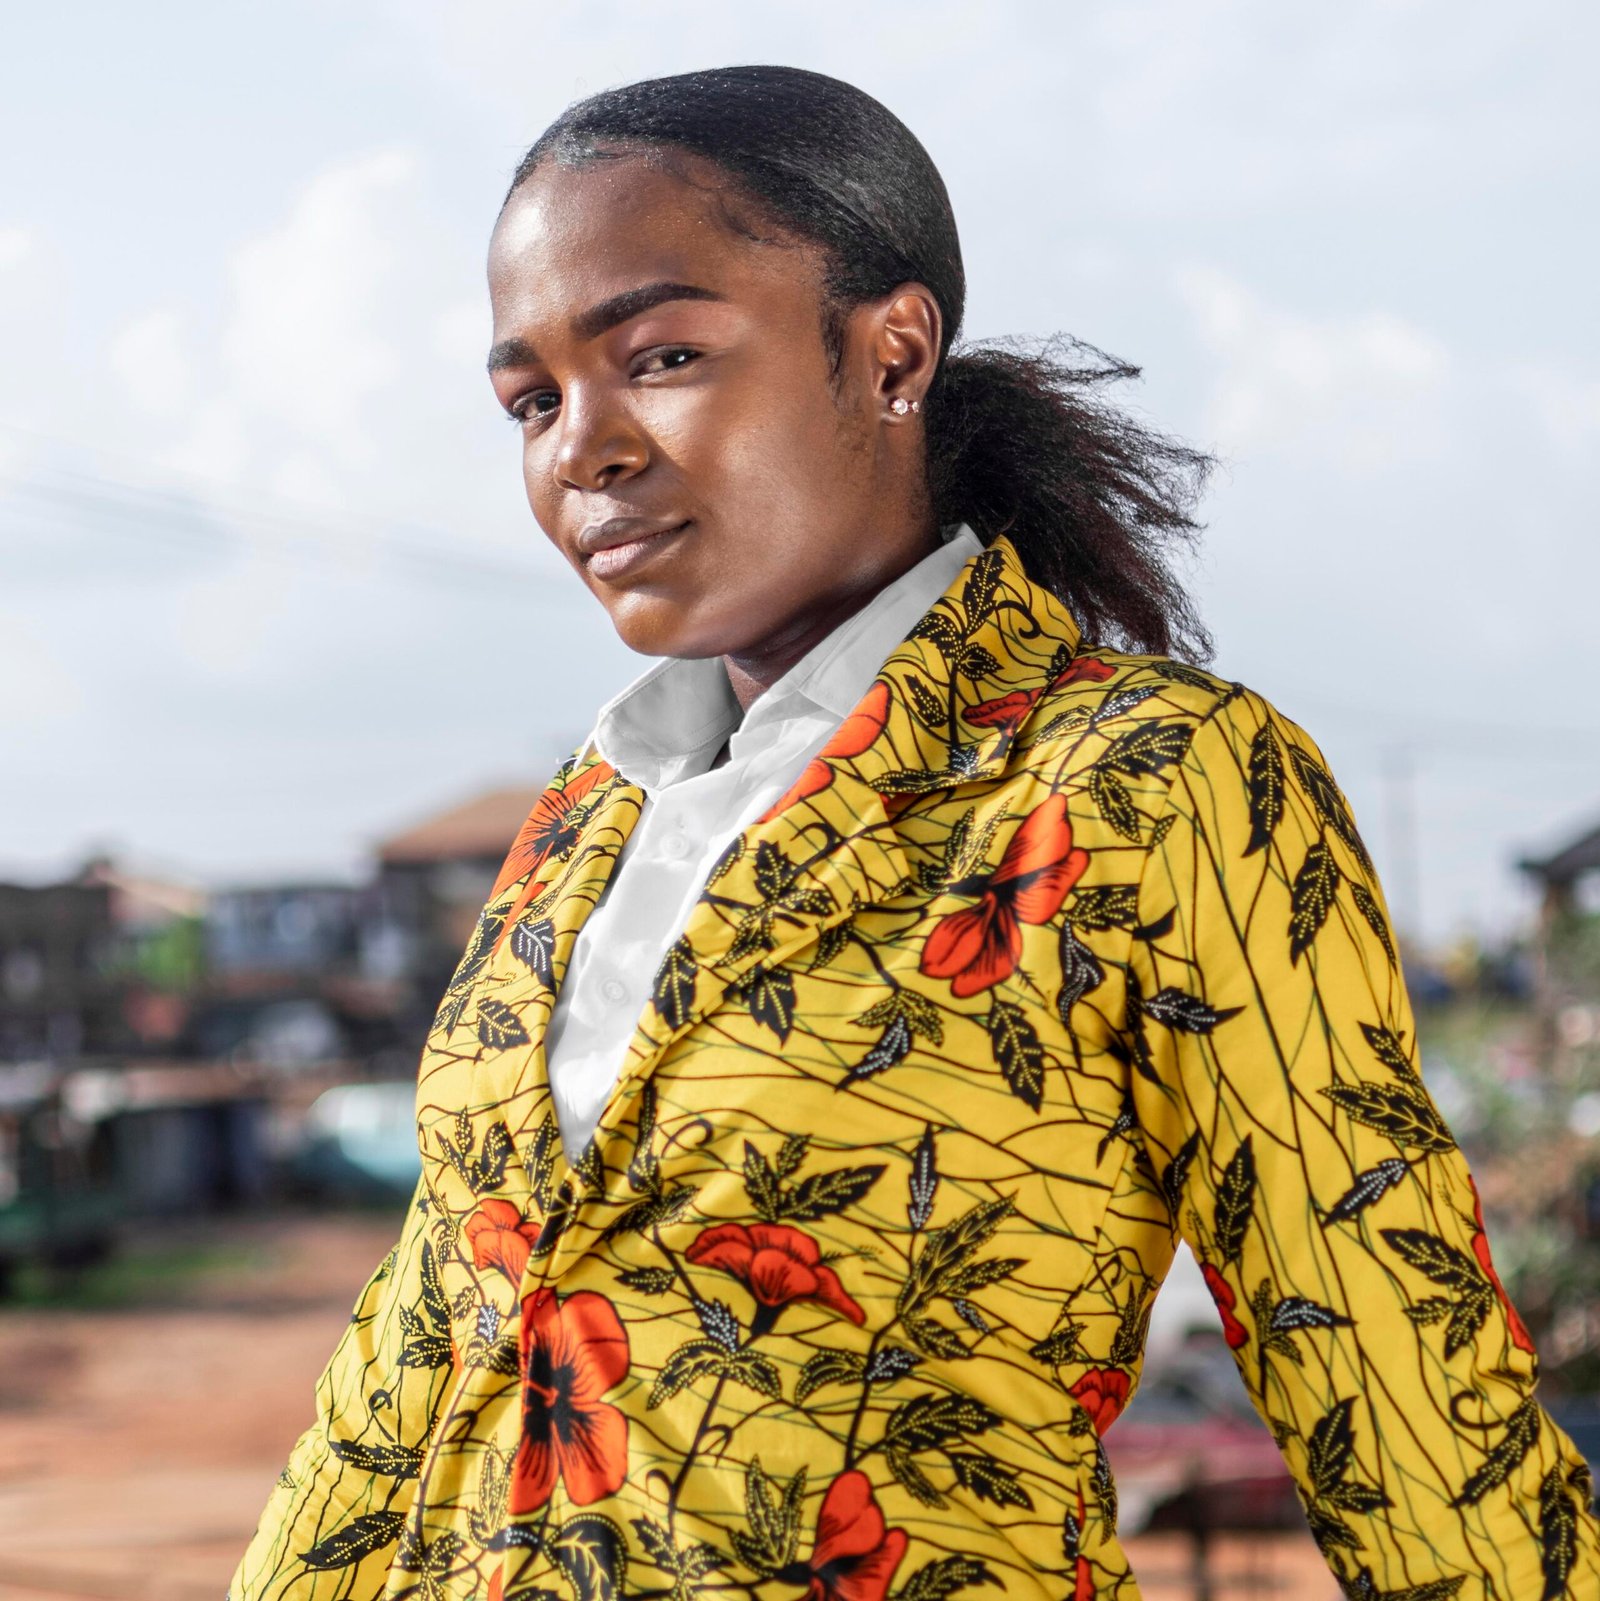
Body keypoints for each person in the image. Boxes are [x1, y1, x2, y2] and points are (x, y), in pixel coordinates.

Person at [229, 64, 1600, 1601]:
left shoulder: (1150, 783)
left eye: (662, 357)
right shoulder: (583, 829)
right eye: (532, 400)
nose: (580, 449)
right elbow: (405, 1367)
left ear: (892, 352)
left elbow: (1399, 1380)